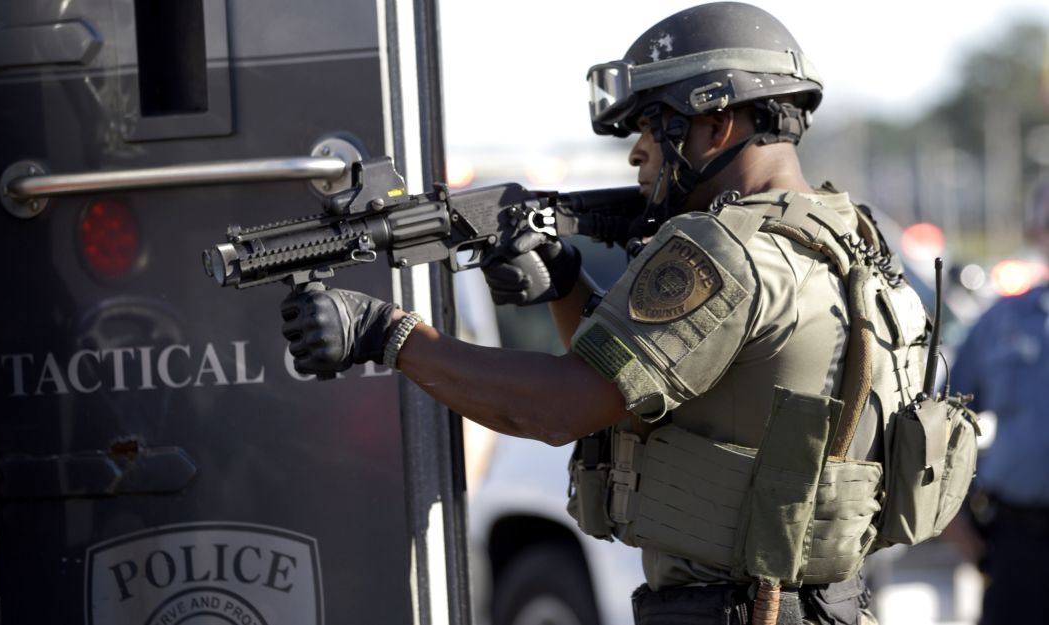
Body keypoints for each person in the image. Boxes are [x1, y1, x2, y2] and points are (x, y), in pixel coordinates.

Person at [279, 3, 937, 623]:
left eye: (652, 125)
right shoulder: (849, 233)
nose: (636, 152)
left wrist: (387, 334)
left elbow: (559, 408)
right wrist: (566, 277)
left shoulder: (727, 250)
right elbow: (625, 388)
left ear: (718, 123)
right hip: (827, 600)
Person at [947, 179, 1049, 625]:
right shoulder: (1001, 322)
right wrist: (954, 522)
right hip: (1019, 545)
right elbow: (941, 420)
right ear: (1035, 232)